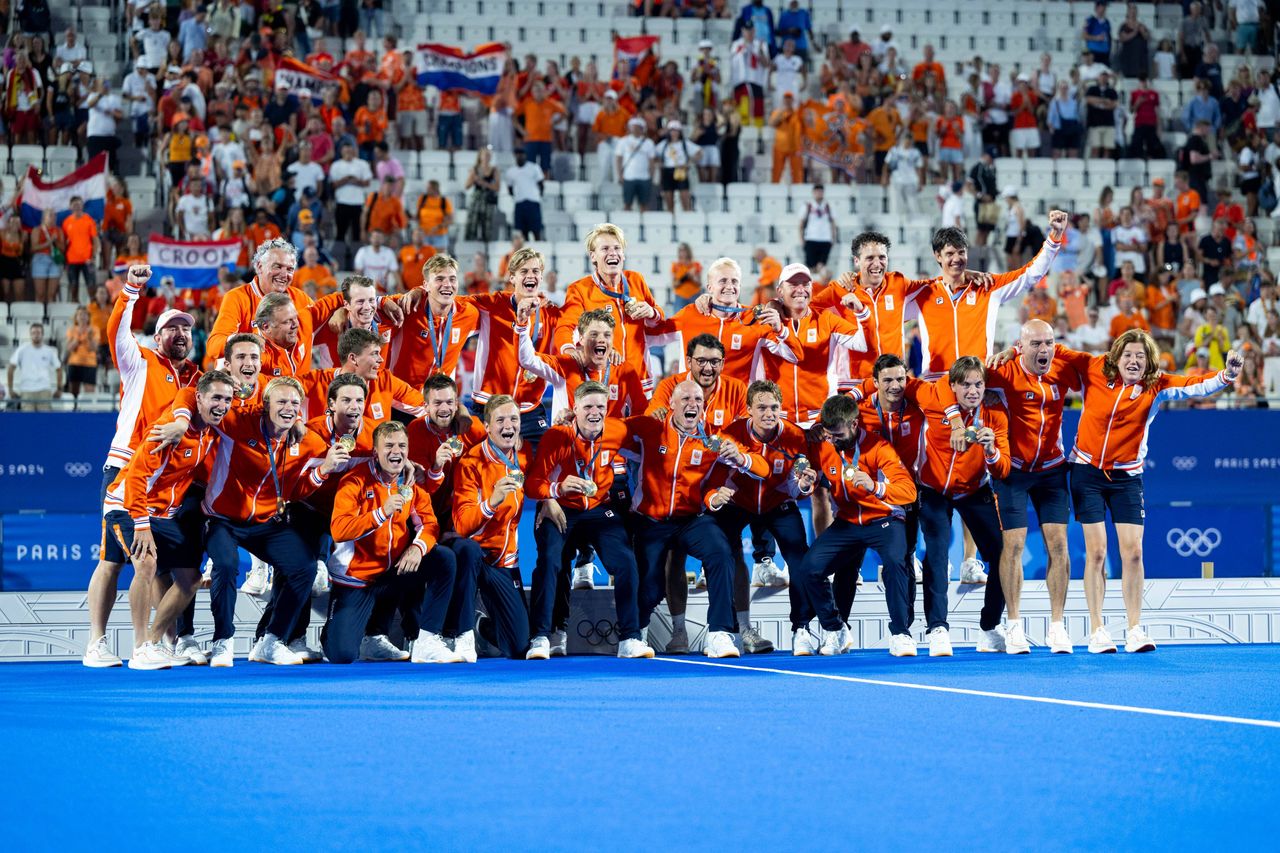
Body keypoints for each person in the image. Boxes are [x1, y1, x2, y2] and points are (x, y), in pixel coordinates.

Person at [1059, 331, 1243, 653]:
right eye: (1128, 355)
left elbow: (1194, 386)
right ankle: (1097, 630)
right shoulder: (1094, 368)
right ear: (1117, 357)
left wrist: (1226, 376)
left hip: (1127, 476)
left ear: (1149, 362)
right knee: (1098, 552)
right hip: (1086, 472)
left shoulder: (1155, 386)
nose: (1134, 361)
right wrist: (1016, 350)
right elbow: (1053, 351)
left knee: (1133, 553)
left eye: (1140, 357)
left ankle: (1134, 630)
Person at [82, 266, 201, 670]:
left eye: (186, 330)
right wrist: (131, 289)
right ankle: (100, 643)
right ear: (157, 335)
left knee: (153, 563)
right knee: (115, 560)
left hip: (161, 479)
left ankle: (160, 641)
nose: (180, 335)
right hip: (124, 470)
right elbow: (118, 329)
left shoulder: (192, 379)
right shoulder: (140, 360)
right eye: (172, 329)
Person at [199, 377, 351, 665]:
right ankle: (222, 641)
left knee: (303, 567)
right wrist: (181, 420)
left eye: (295, 403)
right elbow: (196, 397)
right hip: (222, 518)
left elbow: (300, 490)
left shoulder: (307, 441)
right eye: (281, 402)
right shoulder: (238, 422)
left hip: (266, 521)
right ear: (265, 404)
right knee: (227, 564)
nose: (289, 408)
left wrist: (325, 469)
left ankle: (271, 641)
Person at [98, 370, 236, 669]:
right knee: (146, 564)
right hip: (126, 504)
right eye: (215, 397)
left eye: (227, 399)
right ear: (198, 398)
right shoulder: (167, 430)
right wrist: (142, 525)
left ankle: (155, 639)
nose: (222, 405)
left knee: (190, 578)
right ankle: (139, 648)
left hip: (163, 512)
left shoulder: (211, 432)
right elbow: (136, 477)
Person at [524, 381, 655, 660]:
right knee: (550, 561)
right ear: (574, 410)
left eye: (600, 407)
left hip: (599, 509)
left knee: (626, 562)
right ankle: (542, 636)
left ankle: (630, 637)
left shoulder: (617, 429)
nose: (594, 413)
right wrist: (557, 490)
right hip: (561, 508)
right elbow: (533, 482)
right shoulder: (556, 437)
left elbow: (647, 430)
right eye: (588, 407)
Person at [624, 380, 753, 658]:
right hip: (651, 519)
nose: (692, 404)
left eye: (697, 399)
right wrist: (575, 422)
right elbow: (609, 434)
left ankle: (719, 634)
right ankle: (635, 635)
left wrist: (739, 461)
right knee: (650, 586)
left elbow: (759, 468)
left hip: (691, 519)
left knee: (720, 552)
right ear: (671, 404)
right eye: (684, 399)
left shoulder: (713, 441)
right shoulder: (650, 428)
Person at [326, 420, 470, 664]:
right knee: (341, 654)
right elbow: (339, 530)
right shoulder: (354, 482)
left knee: (443, 558)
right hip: (355, 579)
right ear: (375, 452)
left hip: (392, 573)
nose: (396, 452)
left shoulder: (410, 484)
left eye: (402, 446)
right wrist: (381, 513)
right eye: (389, 446)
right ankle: (351, 635)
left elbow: (430, 524)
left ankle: (426, 641)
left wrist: (417, 547)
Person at [983, 321, 1083, 654]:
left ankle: (1057, 626)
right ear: (1021, 346)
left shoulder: (1062, 370)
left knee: (1059, 545)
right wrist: (1007, 352)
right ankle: (1013, 626)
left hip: (1053, 471)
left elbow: (1095, 372)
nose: (1044, 350)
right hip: (1014, 471)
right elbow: (968, 374)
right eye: (1036, 344)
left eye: (1049, 343)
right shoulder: (1003, 370)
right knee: (1013, 545)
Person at [789, 393, 917, 656]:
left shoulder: (879, 447)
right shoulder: (824, 444)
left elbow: (909, 492)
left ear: (854, 425)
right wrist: (808, 480)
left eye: (837, 435)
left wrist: (876, 487)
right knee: (809, 568)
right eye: (828, 434)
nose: (832, 440)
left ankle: (901, 634)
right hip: (847, 523)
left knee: (895, 563)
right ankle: (836, 629)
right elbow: (799, 448)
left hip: (883, 520)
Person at [910, 357, 1012, 656]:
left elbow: (1004, 469)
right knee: (938, 555)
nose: (973, 391)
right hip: (933, 490)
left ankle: (990, 628)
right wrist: (955, 417)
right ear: (953, 385)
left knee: (1003, 556)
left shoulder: (995, 414)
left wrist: (991, 449)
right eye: (965, 384)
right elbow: (918, 383)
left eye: (978, 384)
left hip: (974, 490)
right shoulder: (935, 396)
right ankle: (938, 628)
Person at [704, 380, 813, 652]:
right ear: (748, 410)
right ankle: (733, 630)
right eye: (761, 407)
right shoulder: (731, 434)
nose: (769, 414)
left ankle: (802, 629)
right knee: (724, 556)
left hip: (777, 502)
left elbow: (797, 485)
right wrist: (718, 495)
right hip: (739, 502)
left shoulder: (795, 436)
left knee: (800, 559)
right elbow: (714, 477)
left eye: (774, 407)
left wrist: (802, 486)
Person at [908, 211, 1067, 380]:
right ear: (938, 256)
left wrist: (1055, 236)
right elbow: (886, 310)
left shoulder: (987, 286)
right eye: (950, 254)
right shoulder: (923, 294)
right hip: (936, 383)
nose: (957, 258)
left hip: (977, 384)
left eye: (961, 252)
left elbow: (1030, 274)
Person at [452, 395, 533, 659]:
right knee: (466, 551)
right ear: (487, 427)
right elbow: (463, 525)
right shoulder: (470, 464)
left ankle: (481, 624)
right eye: (500, 420)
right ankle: (461, 633)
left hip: (504, 560)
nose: (508, 425)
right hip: (476, 554)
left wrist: (549, 500)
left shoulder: (523, 455)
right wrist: (492, 502)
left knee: (519, 646)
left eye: (513, 419)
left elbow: (544, 476)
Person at [551, 223, 665, 394]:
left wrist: (652, 312)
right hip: (604, 379)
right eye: (605, 248)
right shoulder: (580, 289)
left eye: (617, 248)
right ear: (593, 256)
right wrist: (569, 351)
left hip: (640, 377)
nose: (612, 253)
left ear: (623, 255)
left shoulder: (636, 280)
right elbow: (564, 327)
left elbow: (659, 317)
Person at [468, 247, 561, 439]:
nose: (531, 275)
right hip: (489, 406)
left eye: (535, 271)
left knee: (545, 460)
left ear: (541, 278)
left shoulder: (551, 314)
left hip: (529, 410)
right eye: (524, 271)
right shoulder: (492, 305)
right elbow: (448, 303)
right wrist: (419, 291)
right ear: (512, 278)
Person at [387, 254, 480, 389]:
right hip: (402, 402)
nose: (447, 284)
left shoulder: (469, 314)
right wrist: (343, 310)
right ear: (426, 285)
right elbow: (365, 301)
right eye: (440, 279)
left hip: (439, 402)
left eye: (452, 279)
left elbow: (498, 306)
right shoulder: (407, 306)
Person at [6, 322, 61, 410]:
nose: (36, 335)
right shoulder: (22, 349)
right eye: (33, 333)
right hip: (27, 390)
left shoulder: (49, 351)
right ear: (30, 334)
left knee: (45, 420)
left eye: (38, 333)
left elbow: (59, 369)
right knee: (27, 421)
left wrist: (59, 389)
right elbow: (11, 368)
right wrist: (10, 389)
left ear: (42, 334)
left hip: (44, 390)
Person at [61, 195, 99, 304]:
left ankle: (93, 307)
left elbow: (95, 239)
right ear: (70, 207)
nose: (77, 207)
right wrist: (64, 260)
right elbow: (63, 242)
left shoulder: (89, 220)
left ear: (82, 206)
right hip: (71, 259)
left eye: (79, 204)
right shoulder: (66, 222)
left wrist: (93, 256)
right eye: (74, 205)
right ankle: (75, 308)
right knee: (73, 286)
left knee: (91, 286)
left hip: (87, 259)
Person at [655, 120, 700, 211]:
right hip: (668, 171)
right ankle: (671, 221)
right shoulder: (663, 144)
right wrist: (659, 163)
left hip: (681, 170)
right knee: (669, 199)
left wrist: (689, 163)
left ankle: (686, 219)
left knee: (684, 198)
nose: (674, 133)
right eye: (672, 130)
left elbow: (699, 152)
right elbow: (654, 155)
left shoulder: (685, 143)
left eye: (676, 130)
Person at [614, 117, 657, 211]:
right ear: (630, 128)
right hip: (628, 177)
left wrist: (651, 177)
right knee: (627, 203)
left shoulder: (649, 143)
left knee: (644, 204)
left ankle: (644, 224)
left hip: (644, 177)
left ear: (643, 129)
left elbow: (652, 162)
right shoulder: (623, 141)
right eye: (634, 127)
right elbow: (618, 159)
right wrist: (620, 175)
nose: (636, 130)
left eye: (639, 127)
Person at [504, 148, 546, 240]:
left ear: (525, 155)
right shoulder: (511, 171)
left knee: (536, 230)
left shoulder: (534, 167)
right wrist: (516, 196)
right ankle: (527, 253)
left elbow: (541, 183)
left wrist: (539, 195)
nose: (520, 156)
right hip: (520, 203)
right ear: (515, 156)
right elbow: (510, 188)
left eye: (522, 154)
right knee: (523, 232)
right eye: (518, 154)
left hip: (533, 202)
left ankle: (538, 251)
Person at [799, 185, 837, 269]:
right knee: (811, 266)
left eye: (821, 192)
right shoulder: (807, 206)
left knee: (822, 266)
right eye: (817, 192)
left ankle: (820, 282)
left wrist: (833, 238)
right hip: (811, 238)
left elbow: (833, 224)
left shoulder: (829, 206)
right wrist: (801, 239)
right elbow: (801, 224)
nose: (819, 194)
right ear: (813, 193)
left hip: (825, 239)